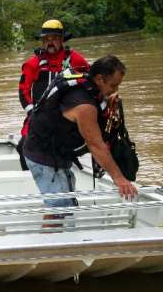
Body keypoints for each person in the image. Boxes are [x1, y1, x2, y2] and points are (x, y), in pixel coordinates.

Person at [22, 54, 139, 209]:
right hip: (45, 158)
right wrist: (119, 179)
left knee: (64, 206)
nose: (115, 90)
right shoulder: (84, 105)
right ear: (99, 79)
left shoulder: (87, 85)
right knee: (60, 210)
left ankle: (58, 228)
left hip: (52, 152)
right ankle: (53, 232)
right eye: (113, 85)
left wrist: (107, 105)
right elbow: (96, 145)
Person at [17, 19, 90, 170]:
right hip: (38, 117)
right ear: (42, 41)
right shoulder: (32, 64)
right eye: (46, 39)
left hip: (66, 117)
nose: (50, 43)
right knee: (23, 145)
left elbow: (92, 82)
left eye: (54, 38)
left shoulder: (76, 60)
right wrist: (31, 112)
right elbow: (23, 91)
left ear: (62, 40)